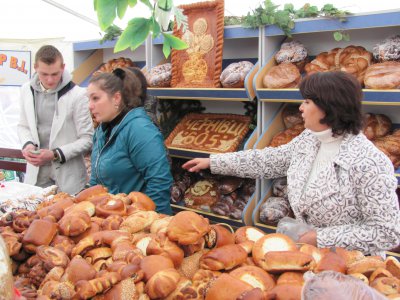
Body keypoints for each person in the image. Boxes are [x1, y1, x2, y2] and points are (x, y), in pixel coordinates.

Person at [183, 71, 400, 256]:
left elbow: (387, 231)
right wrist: (213, 161)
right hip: (311, 257)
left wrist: (320, 238)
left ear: (329, 106)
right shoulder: (311, 139)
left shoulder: (369, 162)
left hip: (351, 267)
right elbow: (269, 160)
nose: (301, 108)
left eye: (307, 101)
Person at [87, 67, 173, 215]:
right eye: (88, 99)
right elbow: (96, 183)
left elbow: (159, 182)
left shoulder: (140, 129)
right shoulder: (102, 130)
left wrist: (145, 222)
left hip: (140, 222)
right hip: (112, 217)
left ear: (116, 98)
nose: (90, 105)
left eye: (95, 98)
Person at [17, 45, 93, 195]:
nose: (50, 80)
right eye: (44, 74)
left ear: (63, 67)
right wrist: (28, 144)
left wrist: (55, 154)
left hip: (69, 180)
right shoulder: (26, 90)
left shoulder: (78, 95)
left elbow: (88, 139)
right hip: (36, 178)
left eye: (55, 74)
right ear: (35, 68)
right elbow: (23, 126)